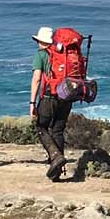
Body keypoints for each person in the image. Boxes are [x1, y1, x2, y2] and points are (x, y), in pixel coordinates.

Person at [28, 26, 71, 181]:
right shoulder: (64, 53)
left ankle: (55, 156)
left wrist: (32, 102)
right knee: (58, 130)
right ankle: (57, 170)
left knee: (41, 126)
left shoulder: (41, 55)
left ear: (41, 41)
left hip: (49, 96)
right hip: (66, 97)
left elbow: (37, 79)